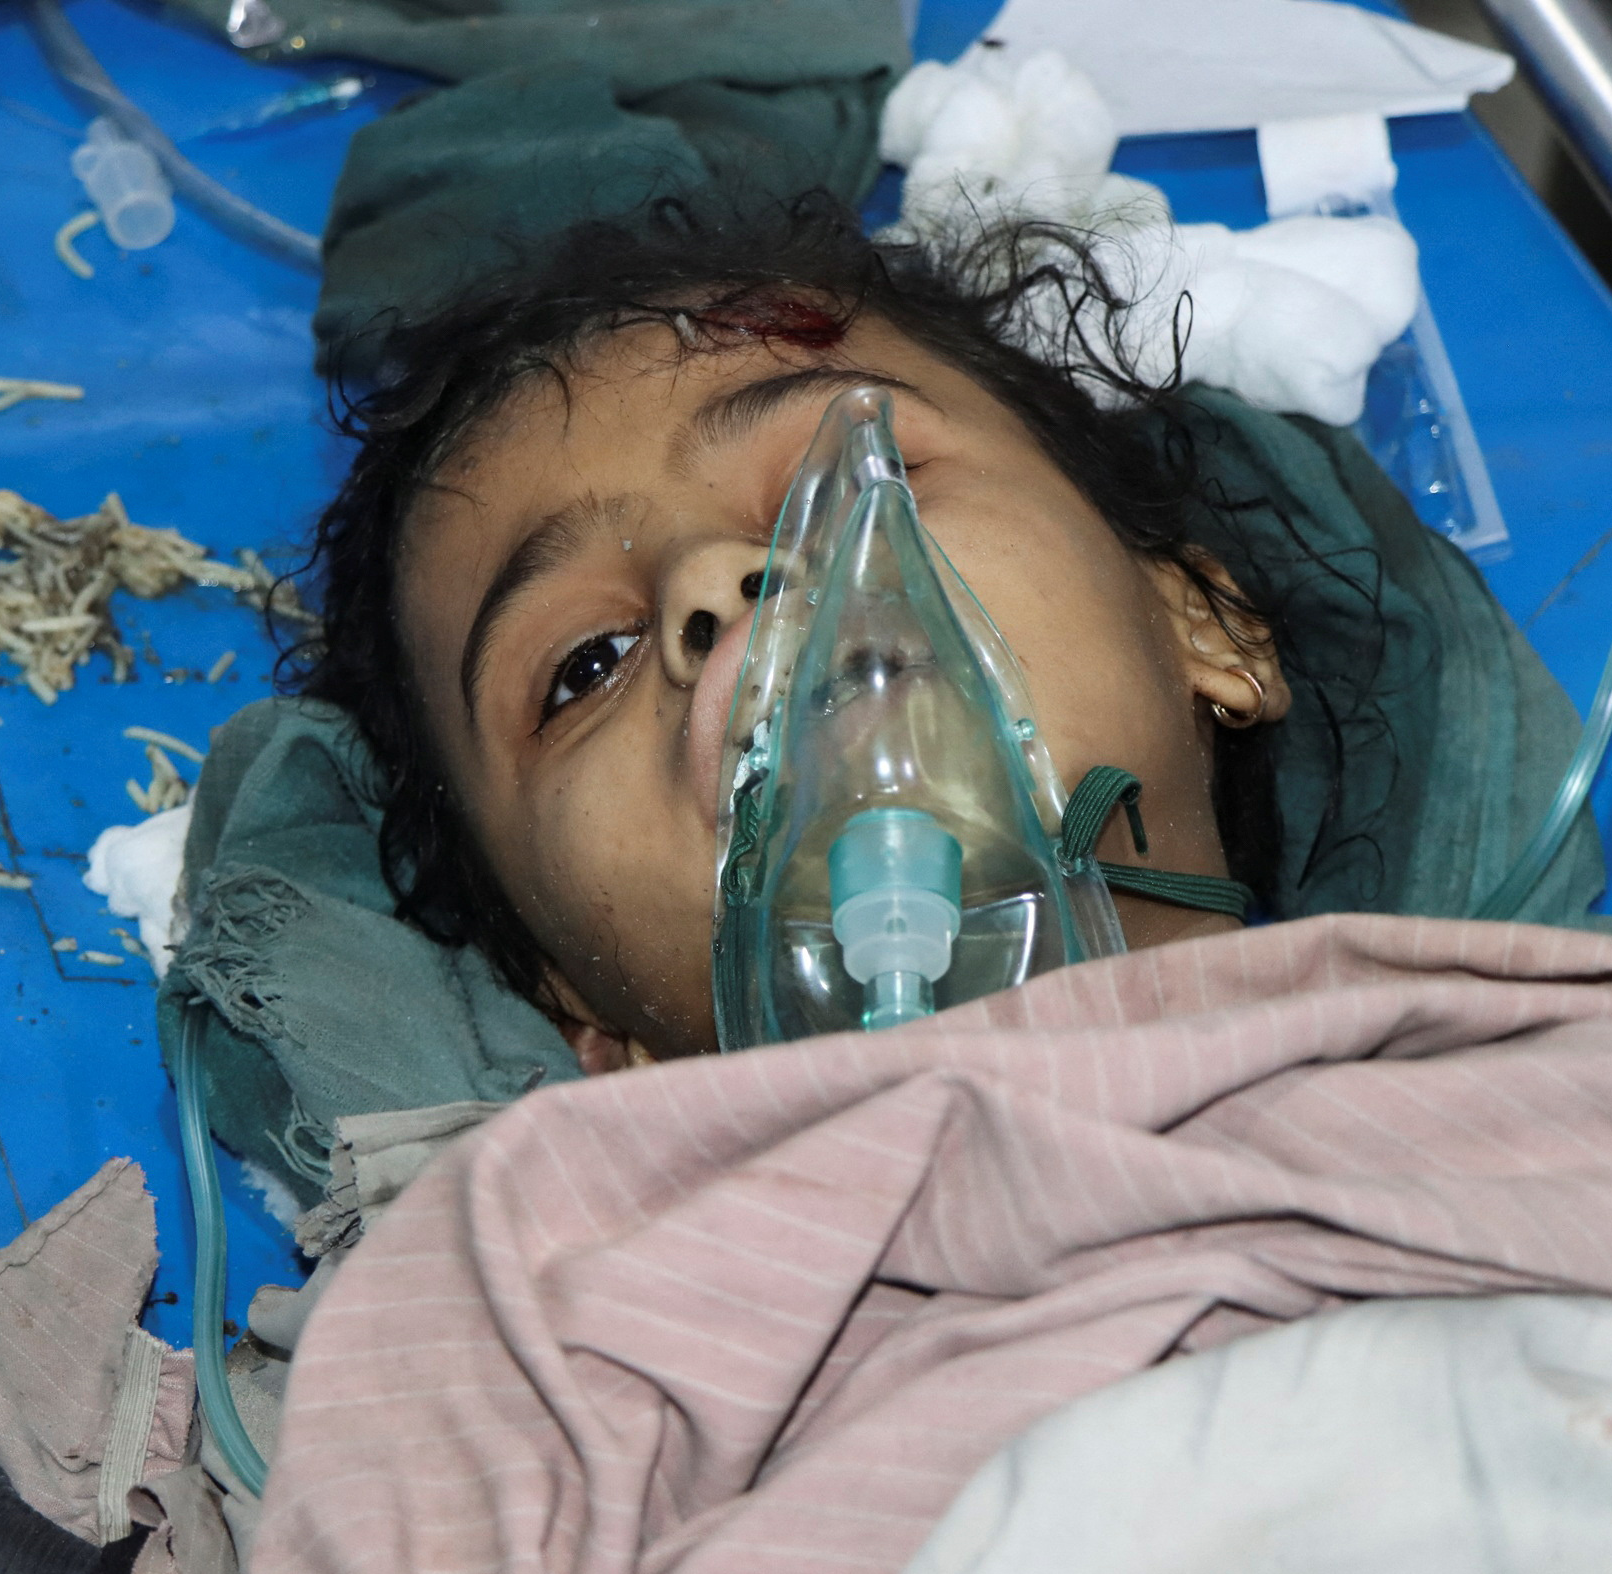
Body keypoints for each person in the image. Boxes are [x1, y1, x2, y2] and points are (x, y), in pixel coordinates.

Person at [295, 199, 1348, 1065]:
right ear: (577, 1009)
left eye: (850, 474)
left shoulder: (1483, 1075)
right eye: (587, 664)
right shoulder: (547, 1299)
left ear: (1202, 623)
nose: (711, 582)